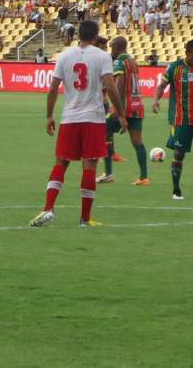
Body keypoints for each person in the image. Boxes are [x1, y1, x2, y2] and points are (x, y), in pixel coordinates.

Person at [30, 20, 126, 228]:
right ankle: (84, 219)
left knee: (61, 163)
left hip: (70, 118)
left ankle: (48, 209)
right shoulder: (102, 56)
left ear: (78, 35)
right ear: (95, 35)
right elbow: (110, 87)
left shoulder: (64, 55)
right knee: (89, 165)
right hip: (93, 118)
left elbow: (53, 88)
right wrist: (121, 114)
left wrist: (49, 116)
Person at [152, 39, 193, 201]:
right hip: (182, 119)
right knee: (179, 153)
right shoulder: (175, 67)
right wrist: (155, 100)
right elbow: (162, 85)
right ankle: (176, 190)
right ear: (187, 52)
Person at [100, 37, 149, 187]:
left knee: (104, 131)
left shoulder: (119, 62)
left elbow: (117, 87)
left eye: (111, 47)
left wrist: (117, 110)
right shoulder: (132, 61)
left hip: (124, 106)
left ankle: (108, 174)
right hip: (137, 105)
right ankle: (144, 177)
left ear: (116, 47)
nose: (111, 50)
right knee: (137, 142)